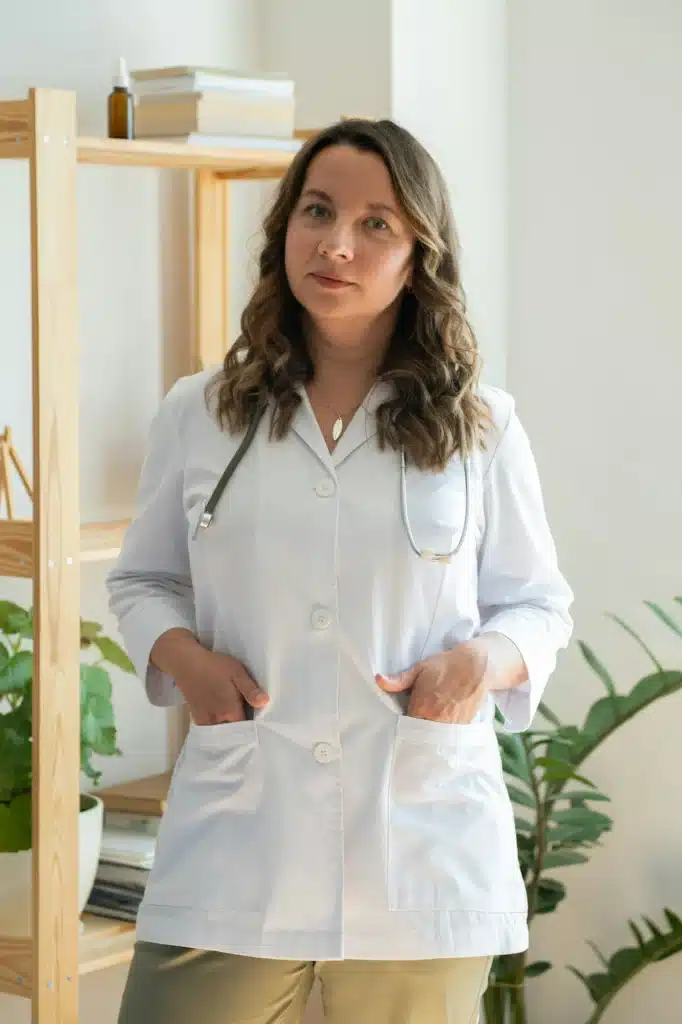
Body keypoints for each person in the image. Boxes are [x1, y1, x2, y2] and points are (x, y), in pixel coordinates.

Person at [107, 118, 573, 1024]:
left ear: (420, 257)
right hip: (239, 848)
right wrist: (186, 661)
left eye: (376, 225)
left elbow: (537, 605)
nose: (336, 243)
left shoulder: (483, 426)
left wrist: (482, 664)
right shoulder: (201, 414)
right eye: (317, 211)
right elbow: (143, 581)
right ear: (284, 227)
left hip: (419, 853)